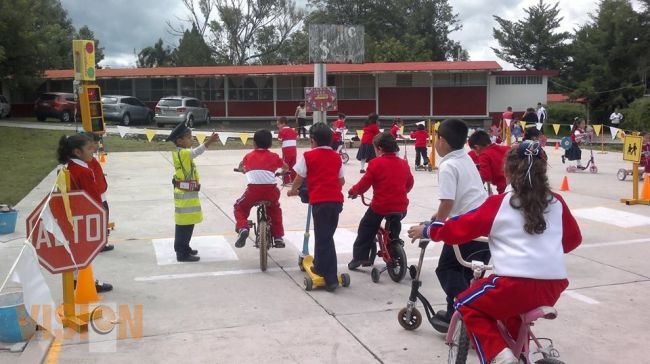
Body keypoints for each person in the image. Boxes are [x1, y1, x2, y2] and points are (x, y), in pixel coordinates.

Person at [411, 141, 582, 364]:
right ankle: (520, 353)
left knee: (466, 304)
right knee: (512, 313)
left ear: (507, 170)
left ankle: (501, 357)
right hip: (553, 285)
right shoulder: (557, 202)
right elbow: (573, 240)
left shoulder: (500, 203)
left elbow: (458, 230)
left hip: (513, 284)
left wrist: (427, 229)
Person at [407, 119, 491, 332]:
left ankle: (470, 313)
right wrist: (438, 216)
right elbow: (462, 195)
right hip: (485, 223)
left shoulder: (448, 165)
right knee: (465, 274)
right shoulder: (465, 157)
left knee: (446, 269)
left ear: (442, 140)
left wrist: (432, 227)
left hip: (468, 228)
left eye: (435, 138)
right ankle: (456, 313)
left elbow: (448, 202)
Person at [287, 123, 345, 292]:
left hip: (320, 202)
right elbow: (341, 181)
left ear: (312, 140)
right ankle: (320, 266)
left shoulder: (308, 156)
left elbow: (299, 178)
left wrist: (293, 190)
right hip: (336, 203)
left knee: (323, 238)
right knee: (327, 236)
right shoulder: (336, 157)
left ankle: (330, 277)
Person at [347, 132, 414, 269]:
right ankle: (395, 244)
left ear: (379, 148)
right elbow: (409, 183)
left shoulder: (375, 163)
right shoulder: (403, 164)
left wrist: (353, 192)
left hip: (380, 206)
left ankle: (360, 258)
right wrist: (400, 192)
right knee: (394, 223)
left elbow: (363, 184)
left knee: (366, 227)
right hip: (401, 207)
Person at [57, 134, 114, 292]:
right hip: (85, 217)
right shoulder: (83, 171)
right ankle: (85, 282)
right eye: (89, 148)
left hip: (74, 215)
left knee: (77, 251)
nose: (93, 151)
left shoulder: (71, 167)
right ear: (77, 152)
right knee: (85, 252)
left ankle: (78, 279)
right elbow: (93, 199)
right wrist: (100, 217)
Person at [166, 123, 219, 262]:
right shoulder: (183, 153)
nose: (191, 140)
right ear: (179, 141)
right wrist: (209, 142)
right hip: (185, 196)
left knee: (187, 224)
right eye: (189, 138)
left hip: (187, 194)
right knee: (184, 225)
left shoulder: (181, 152)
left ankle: (185, 247)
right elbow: (196, 152)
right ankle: (181, 253)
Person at [234, 129, 289, 248]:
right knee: (274, 209)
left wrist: (242, 170)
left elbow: (240, 166)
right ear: (270, 144)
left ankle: (243, 227)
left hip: (253, 192)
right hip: (271, 192)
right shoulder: (274, 156)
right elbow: (286, 167)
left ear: (254, 143)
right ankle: (278, 236)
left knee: (239, 207)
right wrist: (282, 172)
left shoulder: (248, 156)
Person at [82, 132, 114, 252]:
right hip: (97, 196)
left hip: (101, 194)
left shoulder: (91, 158)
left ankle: (101, 242)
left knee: (103, 217)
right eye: (95, 142)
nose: (97, 145)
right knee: (101, 218)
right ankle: (100, 244)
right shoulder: (88, 160)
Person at [277, 116, 297, 185]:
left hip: (286, 152)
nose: (278, 126)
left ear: (283, 124)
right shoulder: (293, 130)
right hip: (294, 151)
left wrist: (281, 144)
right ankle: (293, 180)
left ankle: (286, 181)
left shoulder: (281, 131)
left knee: (285, 165)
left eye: (278, 124)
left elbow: (279, 142)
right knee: (293, 166)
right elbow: (297, 138)